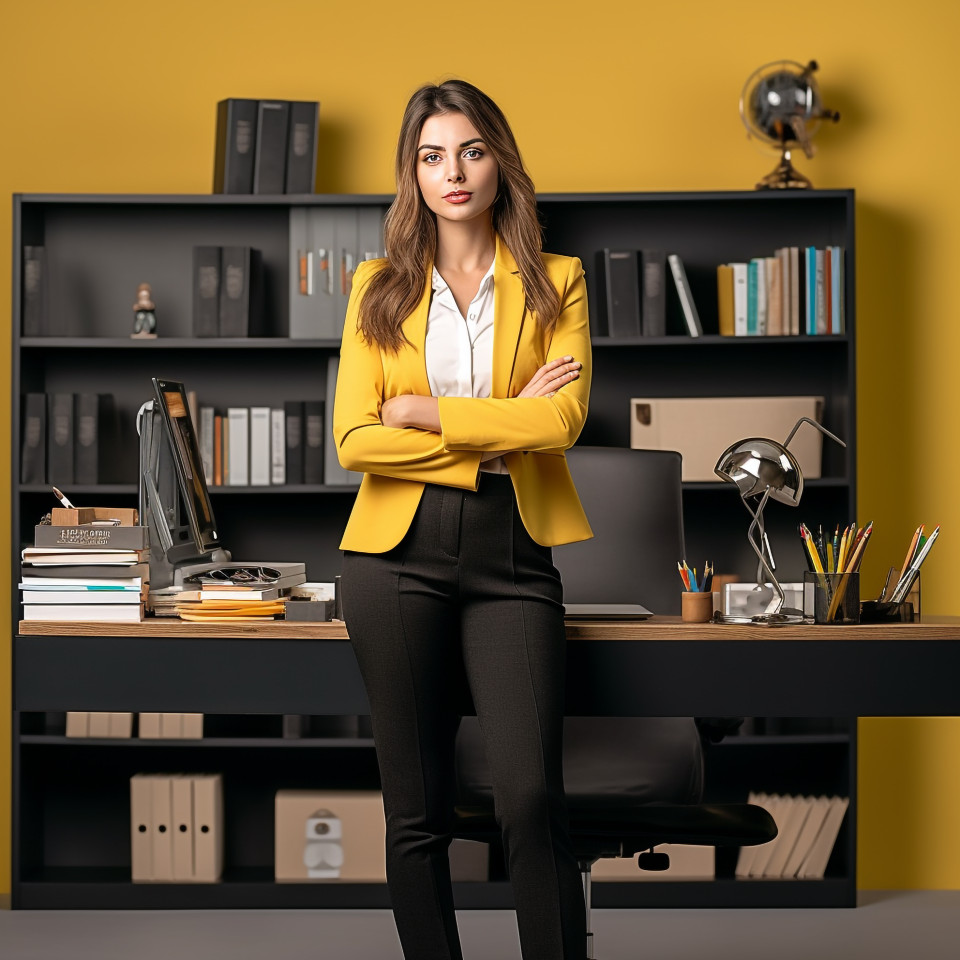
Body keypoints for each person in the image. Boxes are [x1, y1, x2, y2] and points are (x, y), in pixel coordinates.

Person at [334, 78, 593, 960]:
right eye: (432, 156)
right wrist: (492, 426)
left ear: (499, 161)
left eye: (472, 151)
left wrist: (427, 413)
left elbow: (561, 421)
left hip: (513, 557)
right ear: (413, 175)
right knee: (416, 809)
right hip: (393, 556)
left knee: (529, 797)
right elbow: (355, 441)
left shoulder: (558, 280)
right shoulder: (375, 287)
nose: (455, 172)